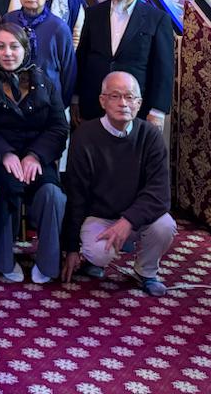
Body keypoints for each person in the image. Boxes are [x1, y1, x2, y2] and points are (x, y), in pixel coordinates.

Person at [62, 71, 177, 296]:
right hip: (100, 216)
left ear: (139, 103)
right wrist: (71, 248)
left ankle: (146, 272)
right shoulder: (84, 136)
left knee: (165, 226)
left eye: (130, 97)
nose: (123, 103)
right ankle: (94, 262)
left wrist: (128, 220)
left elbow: (160, 193)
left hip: (136, 218)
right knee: (98, 252)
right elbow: (76, 195)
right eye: (115, 96)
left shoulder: (150, 136)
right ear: (102, 101)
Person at [0, 23, 68, 284]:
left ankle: (48, 263)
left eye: (14, 47)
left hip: (36, 158)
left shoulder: (44, 81)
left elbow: (58, 127)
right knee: (5, 189)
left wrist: (35, 155)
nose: (7, 53)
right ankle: (5, 260)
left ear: (25, 49)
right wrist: (5, 154)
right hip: (0, 158)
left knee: (52, 194)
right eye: (1, 46)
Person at [75, 0, 175, 126]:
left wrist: (157, 111)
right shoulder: (93, 14)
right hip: (94, 105)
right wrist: (76, 98)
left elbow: (164, 69)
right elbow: (82, 58)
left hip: (137, 108)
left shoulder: (157, 19)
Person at [4, 0, 76, 104]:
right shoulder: (8, 20)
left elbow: (68, 71)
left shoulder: (59, 27)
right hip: (13, 98)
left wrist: (62, 103)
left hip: (48, 100)